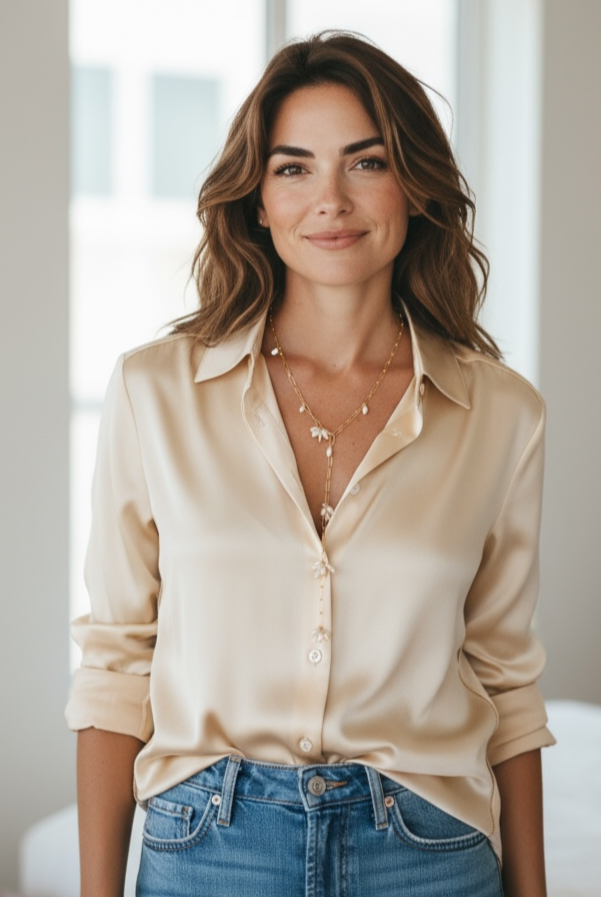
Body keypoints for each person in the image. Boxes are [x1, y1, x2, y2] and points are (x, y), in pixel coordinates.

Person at [66, 31, 555, 898]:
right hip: (209, 846)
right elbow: (116, 665)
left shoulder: (500, 413)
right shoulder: (155, 392)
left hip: (427, 851)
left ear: (413, 186)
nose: (329, 199)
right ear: (256, 199)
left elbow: (504, 681)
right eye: (294, 168)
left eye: (365, 163)